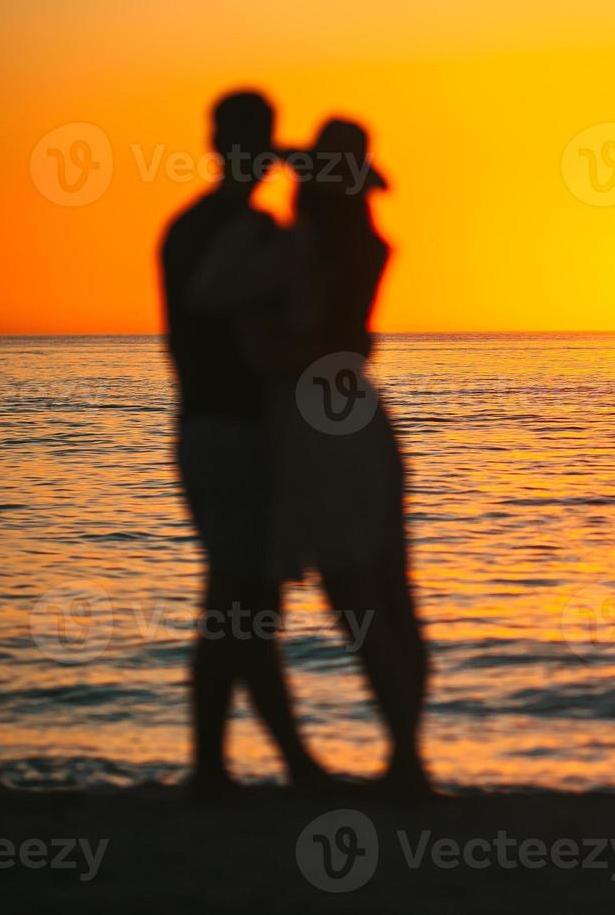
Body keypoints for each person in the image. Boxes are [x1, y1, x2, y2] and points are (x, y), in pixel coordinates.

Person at [192, 117, 430, 794]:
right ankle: (406, 755)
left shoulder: (302, 249)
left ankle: (406, 763)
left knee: (356, 591)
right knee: (390, 594)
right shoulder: (366, 241)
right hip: (361, 414)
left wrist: (264, 341)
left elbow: (211, 292)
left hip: (319, 426)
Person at [159, 91, 329, 796]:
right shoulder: (244, 233)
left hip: (200, 425)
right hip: (234, 432)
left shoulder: (187, 226)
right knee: (240, 602)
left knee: (239, 602)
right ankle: (241, 767)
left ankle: (245, 766)